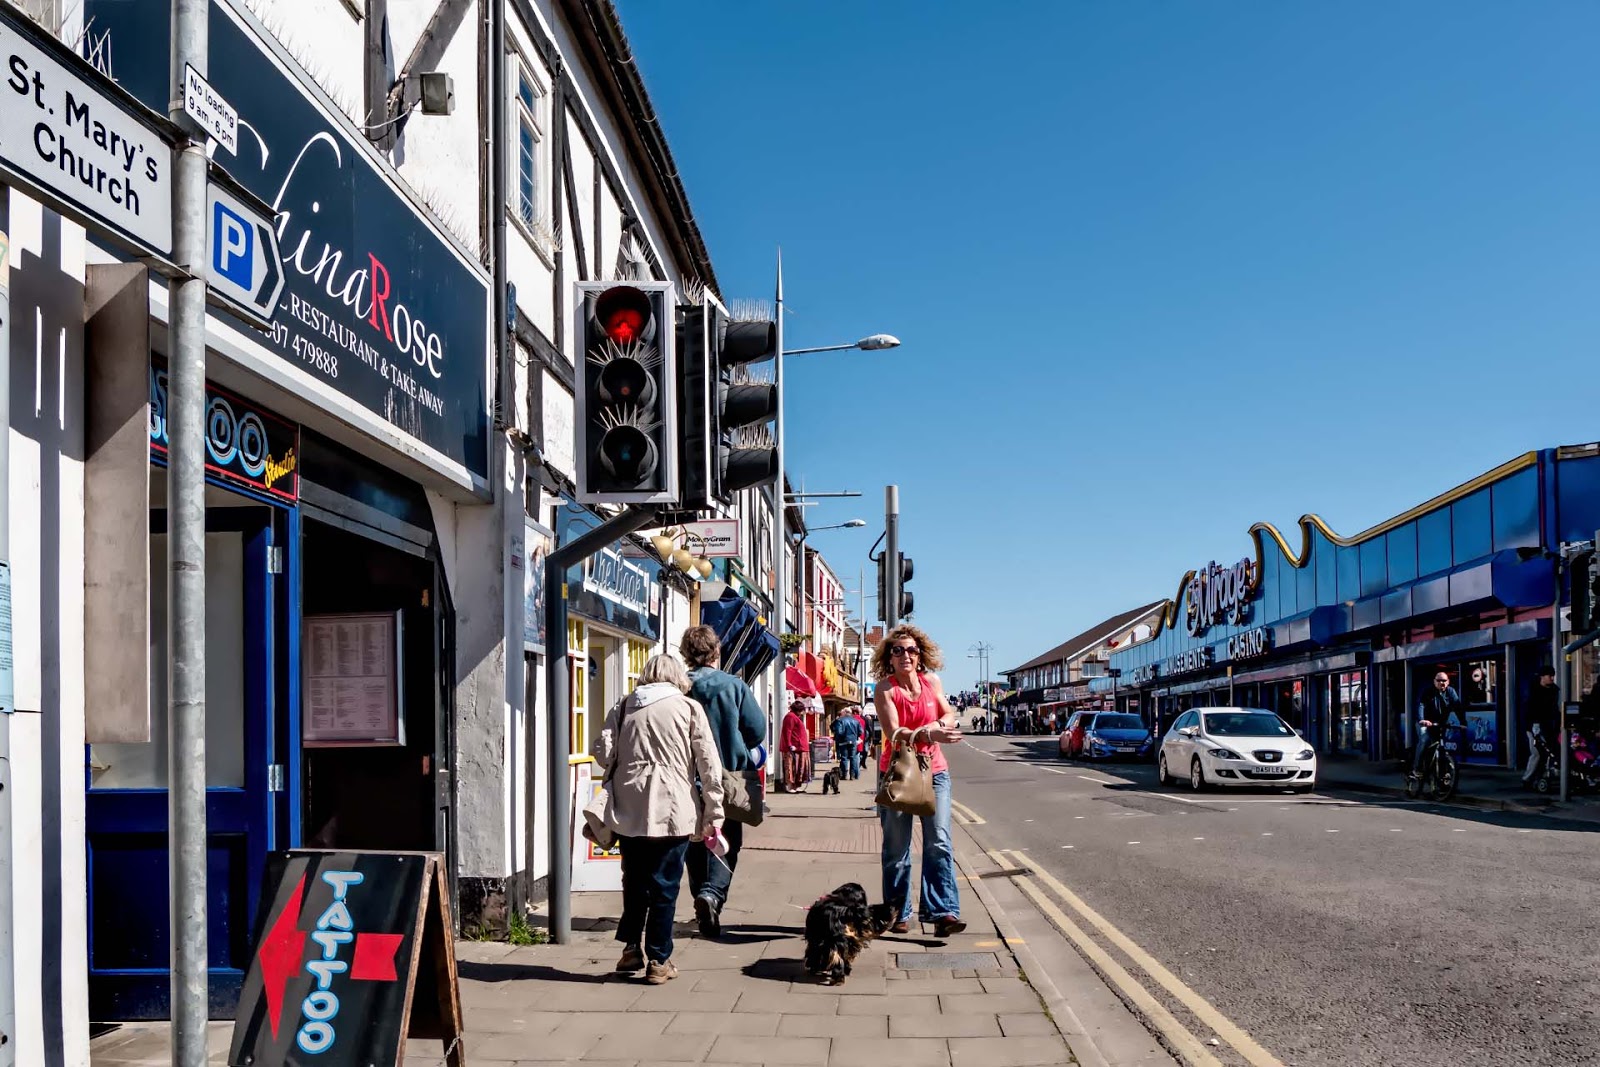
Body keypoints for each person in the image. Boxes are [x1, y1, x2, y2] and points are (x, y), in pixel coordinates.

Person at [592, 654, 724, 985]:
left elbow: (601, 752)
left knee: (634, 881)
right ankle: (659, 960)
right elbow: (709, 764)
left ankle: (631, 949)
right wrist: (714, 811)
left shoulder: (624, 706)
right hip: (673, 808)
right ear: (678, 676)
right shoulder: (689, 708)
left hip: (630, 807)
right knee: (665, 885)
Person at [873, 624, 965, 938]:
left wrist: (943, 725)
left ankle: (943, 913)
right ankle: (898, 912)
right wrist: (929, 733)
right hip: (899, 772)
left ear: (920, 654)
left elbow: (949, 713)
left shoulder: (932, 682)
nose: (905, 655)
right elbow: (893, 732)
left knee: (938, 842)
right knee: (897, 848)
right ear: (889, 657)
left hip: (935, 772)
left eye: (911, 649)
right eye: (897, 650)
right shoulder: (885, 688)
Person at [678, 624, 766, 940]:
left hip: (687, 776)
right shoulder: (734, 686)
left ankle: (702, 897)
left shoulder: (678, 686)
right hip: (728, 777)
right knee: (727, 837)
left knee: (694, 840)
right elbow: (757, 731)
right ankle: (712, 894)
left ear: (686, 654)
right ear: (717, 650)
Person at [1413, 669, 1466, 781]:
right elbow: (1421, 705)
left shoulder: (1451, 692)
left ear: (1448, 682)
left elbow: (1458, 707)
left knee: (1440, 747)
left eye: (1444, 680)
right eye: (1439, 680)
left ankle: (1441, 775)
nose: (1441, 682)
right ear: (1434, 681)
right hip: (1426, 722)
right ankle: (1417, 769)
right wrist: (1422, 720)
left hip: (1439, 724)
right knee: (1425, 740)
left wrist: (1463, 722)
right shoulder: (1428, 692)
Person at [1522, 667, 1560, 785]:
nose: (1552, 678)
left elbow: (1555, 709)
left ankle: (1540, 775)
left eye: (1553, 676)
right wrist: (1534, 725)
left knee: (1550, 751)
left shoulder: (1554, 690)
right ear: (1542, 677)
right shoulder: (1533, 691)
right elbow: (1530, 710)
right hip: (1533, 726)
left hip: (1549, 726)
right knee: (1536, 753)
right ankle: (1528, 778)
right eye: (1550, 676)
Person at [780, 700, 810, 792]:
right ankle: (790, 785)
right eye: (801, 710)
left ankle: (796, 785)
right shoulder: (790, 717)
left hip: (800, 747)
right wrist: (789, 744)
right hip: (794, 747)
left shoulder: (795, 717)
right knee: (791, 766)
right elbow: (787, 731)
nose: (802, 713)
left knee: (799, 767)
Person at [832, 706, 863, 780]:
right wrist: (855, 736)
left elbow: (839, 732)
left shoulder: (840, 720)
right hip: (853, 741)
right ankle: (852, 775)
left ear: (845, 713)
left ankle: (844, 775)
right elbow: (861, 731)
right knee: (853, 758)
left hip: (843, 741)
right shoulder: (856, 721)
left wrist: (842, 737)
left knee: (844, 758)